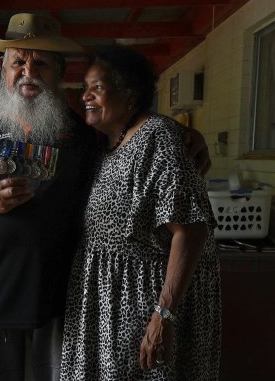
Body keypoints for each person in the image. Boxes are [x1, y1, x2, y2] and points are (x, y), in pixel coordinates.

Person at [0, 13, 211, 381]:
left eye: (42, 62)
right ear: (3, 68)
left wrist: (178, 131)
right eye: (18, 61)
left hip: (63, 303)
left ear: (59, 71)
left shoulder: (84, 135)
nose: (28, 71)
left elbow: (130, 135)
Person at [60, 46, 221, 381]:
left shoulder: (159, 138)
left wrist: (164, 315)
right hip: (106, 304)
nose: (86, 96)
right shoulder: (105, 143)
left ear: (130, 94)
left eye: (98, 88)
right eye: (84, 87)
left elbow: (190, 230)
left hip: (143, 303)